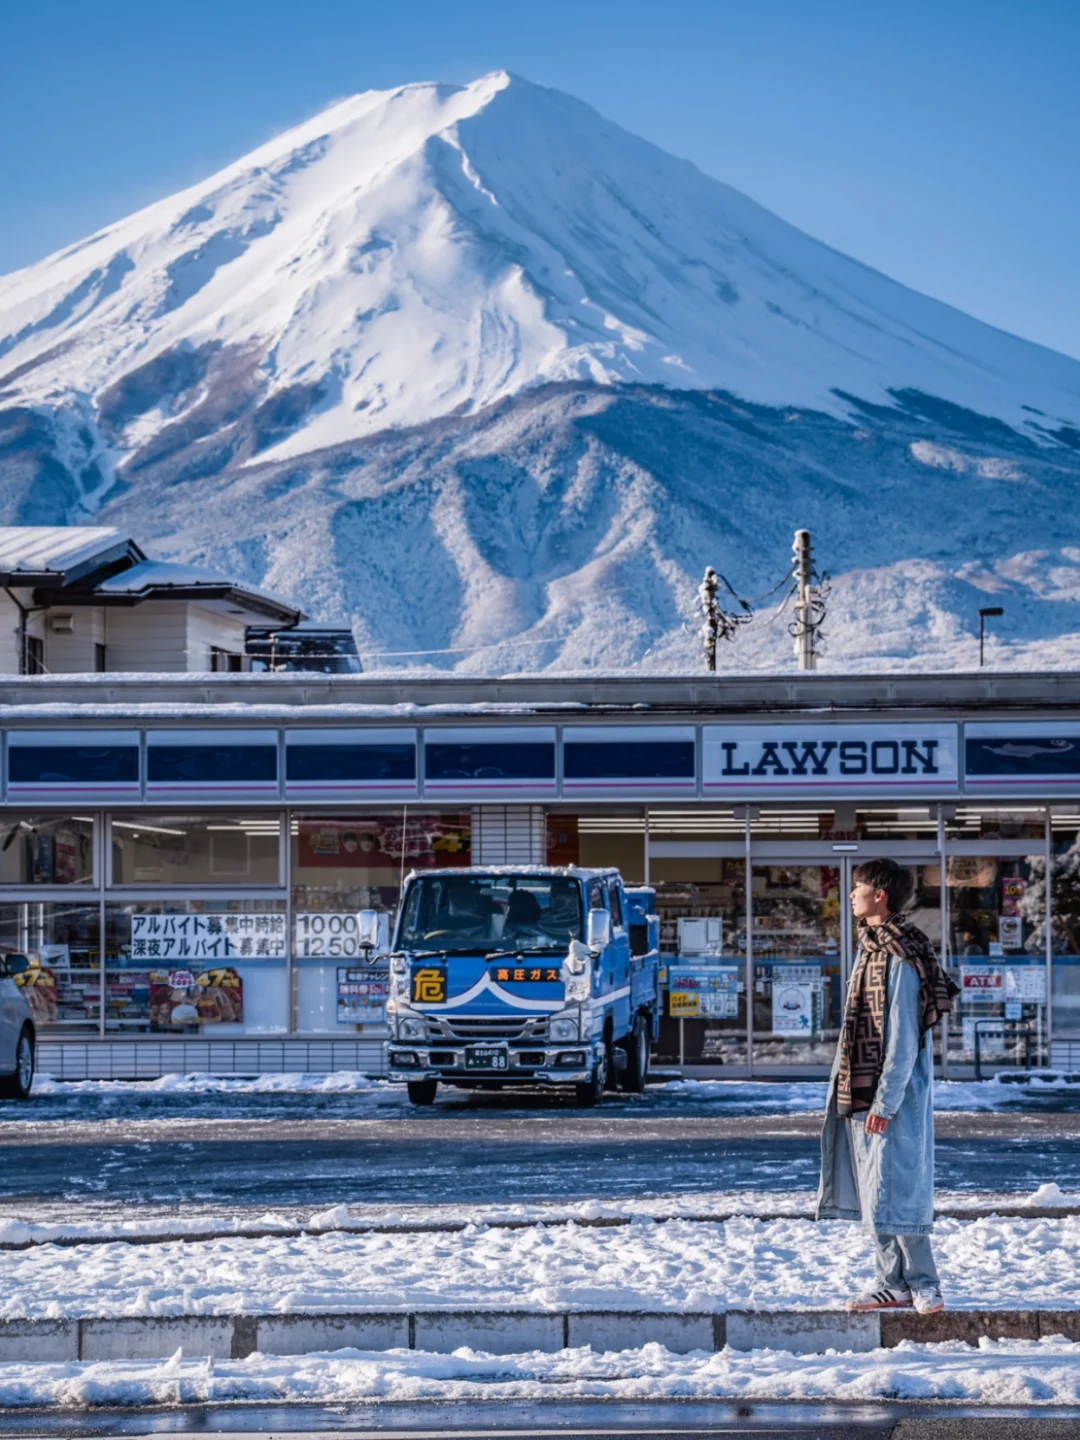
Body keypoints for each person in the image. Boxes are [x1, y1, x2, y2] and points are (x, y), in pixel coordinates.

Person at [816, 858, 959, 1315]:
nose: (851, 894)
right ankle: (890, 1281)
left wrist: (885, 1099)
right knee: (873, 1184)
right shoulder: (871, 945)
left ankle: (923, 1282)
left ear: (880, 895)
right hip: (860, 1085)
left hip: (888, 1091)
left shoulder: (900, 951)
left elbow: (902, 1036)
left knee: (899, 1182)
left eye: (858, 887)